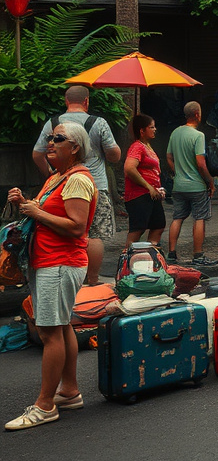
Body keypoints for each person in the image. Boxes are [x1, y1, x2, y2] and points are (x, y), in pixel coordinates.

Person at [4, 122, 97, 431]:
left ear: (75, 148)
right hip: (49, 261)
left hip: (59, 263)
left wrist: (36, 212)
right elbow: (46, 214)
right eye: (49, 137)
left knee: (48, 332)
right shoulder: (57, 178)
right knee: (61, 325)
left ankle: (45, 406)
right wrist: (26, 204)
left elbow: (76, 225)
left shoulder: (79, 180)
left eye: (59, 138)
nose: (50, 142)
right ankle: (69, 391)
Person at [32, 86, 120, 286]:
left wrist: (52, 175)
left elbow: (37, 154)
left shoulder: (53, 124)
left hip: (62, 186)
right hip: (96, 185)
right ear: (87, 101)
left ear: (66, 101)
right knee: (95, 235)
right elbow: (114, 155)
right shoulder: (99, 123)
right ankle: (93, 281)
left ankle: (72, 278)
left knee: (66, 229)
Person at [165, 102, 215, 266]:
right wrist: (210, 181)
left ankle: (171, 254)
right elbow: (201, 164)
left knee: (177, 218)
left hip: (179, 186)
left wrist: (178, 172)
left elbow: (169, 157)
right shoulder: (198, 136)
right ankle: (198, 255)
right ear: (197, 114)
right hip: (196, 186)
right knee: (199, 218)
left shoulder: (175, 132)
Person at [122, 114, 165, 248]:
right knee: (138, 228)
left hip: (151, 194)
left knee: (158, 225)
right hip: (139, 194)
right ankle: (128, 257)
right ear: (142, 130)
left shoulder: (147, 146)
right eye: (151, 127)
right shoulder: (137, 147)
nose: (155, 129)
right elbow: (129, 168)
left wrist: (156, 188)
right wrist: (148, 187)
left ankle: (149, 255)